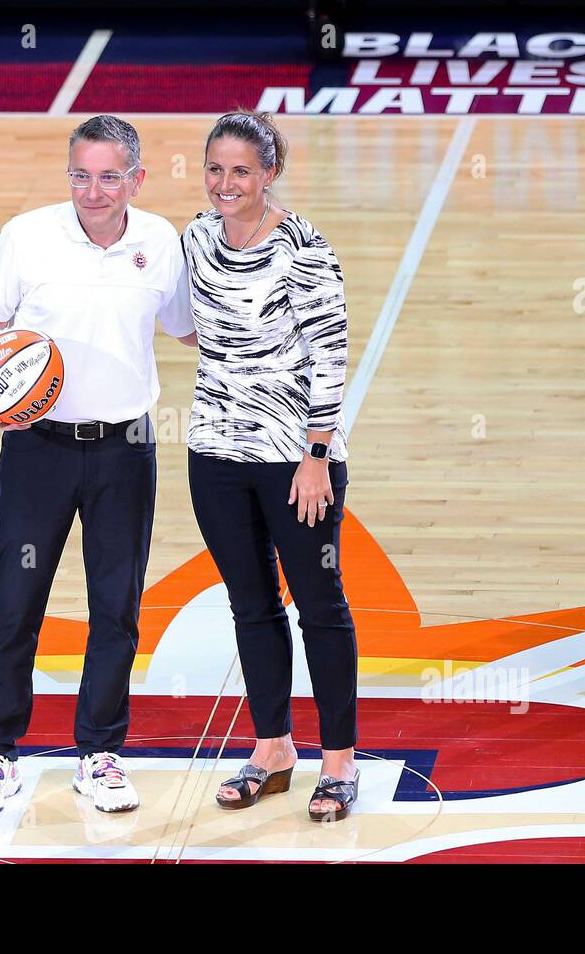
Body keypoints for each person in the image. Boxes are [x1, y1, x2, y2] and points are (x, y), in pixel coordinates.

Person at [0, 115, 197, 815]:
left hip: (125, 450)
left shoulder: (160, 241)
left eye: (108, 177)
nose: (93, 192)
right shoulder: (27, 235)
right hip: (38, 449)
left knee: (116, 607)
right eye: (81, 176)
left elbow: (186, 327)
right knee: (14, 601)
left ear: (137, 179)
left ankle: (101, 753)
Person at [182, 110, 360, 821]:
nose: (227, 184)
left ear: (270, 173)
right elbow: (186, 320)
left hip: (294, 459)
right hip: (215, 453)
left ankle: (340, 763)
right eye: (216, 169)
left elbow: (330, 354)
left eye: (242, 171)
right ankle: (274, 749)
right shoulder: (194, 237)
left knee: (320, 607)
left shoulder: (305, 248)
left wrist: (316, 455)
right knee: (249, 605)